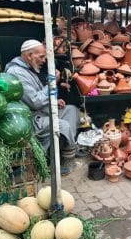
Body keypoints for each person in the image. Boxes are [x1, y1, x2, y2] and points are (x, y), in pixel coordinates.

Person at [5, 39, 80, 175]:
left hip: (42, 111)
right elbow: (35, 102)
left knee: (71, 111)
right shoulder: (16, 72)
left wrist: (54, 101)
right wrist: (52, 83)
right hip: (31, 119)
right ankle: (46, 163)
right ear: (29, 56)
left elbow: (38, 95)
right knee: (62, 126)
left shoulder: (28, 68)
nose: (44, 60)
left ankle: (64, 154)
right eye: (41, 57)